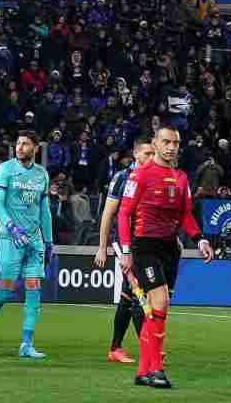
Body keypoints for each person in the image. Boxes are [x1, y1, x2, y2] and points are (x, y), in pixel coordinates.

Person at [117, 125, 215, 389]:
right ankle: (157, 369)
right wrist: (126, 251)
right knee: (159, 302)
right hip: (145, 246)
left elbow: (185, 215)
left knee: (157, 310)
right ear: (155, 143)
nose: (172, 147)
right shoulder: (140, 175)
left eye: (175, 143)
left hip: (170, 248)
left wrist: (200, 239)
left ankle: (142, 371)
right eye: (167, 142)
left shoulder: (181, 178)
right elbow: (124, 213)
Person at [0, 130, 53, 358]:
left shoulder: (42, 175)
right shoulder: (5, 170)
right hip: (10, 239)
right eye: (18, 143)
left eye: (25, 144)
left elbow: (44, 211)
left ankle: (26, 344)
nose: (20, 147)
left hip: (34, 240)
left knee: (34, 289)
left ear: (35, 148)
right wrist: (11, 227)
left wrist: (48, 241)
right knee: (6, 292)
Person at [94, 136, 154, 363]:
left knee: (128, 296)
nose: (150, 158)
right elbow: (108, 214)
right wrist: (102, 248)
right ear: (136, 154)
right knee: (140, 294)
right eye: (147, 154)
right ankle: (149, 347)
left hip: (144, 243)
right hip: (123, 243)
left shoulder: (153, 177)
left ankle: (115, 348)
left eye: (152, 154)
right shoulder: (121, 178)